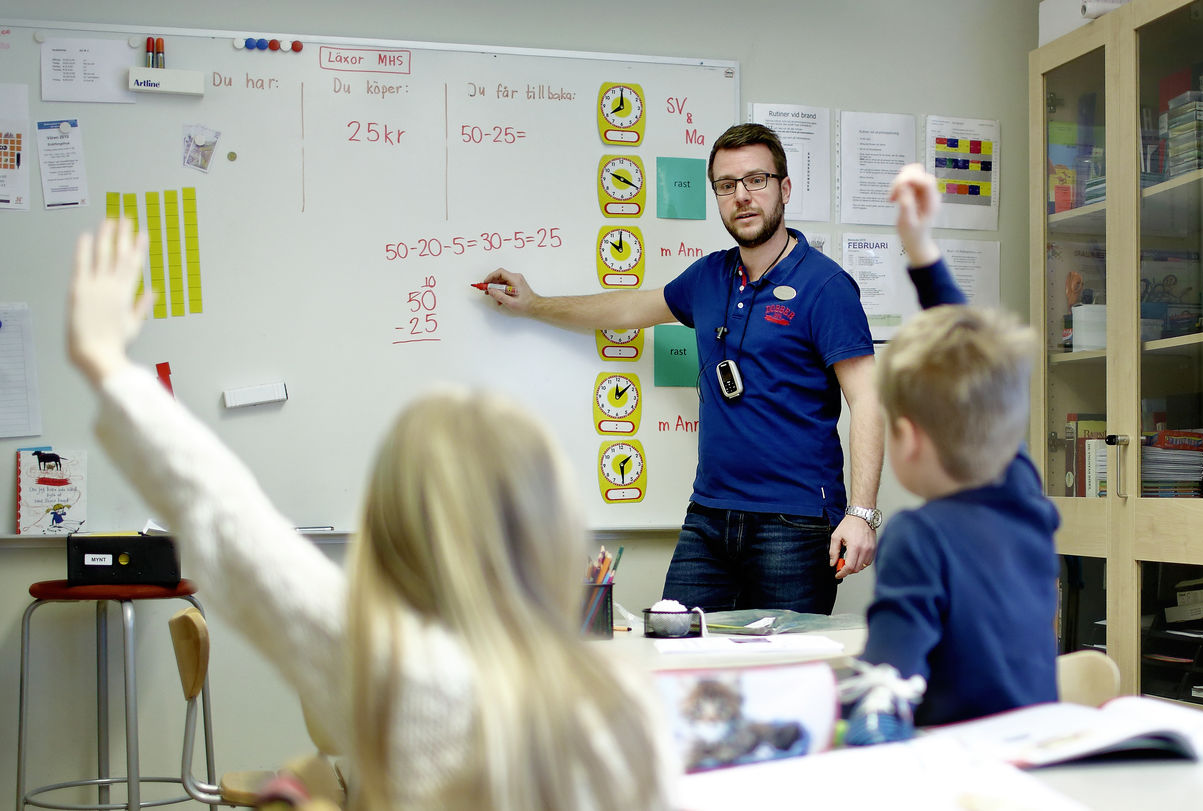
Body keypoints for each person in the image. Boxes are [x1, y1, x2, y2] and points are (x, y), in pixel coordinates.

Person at [66, 219, 674, 811]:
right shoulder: (625, 703)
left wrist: (107, 366)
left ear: (391, 525)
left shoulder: (390, 670)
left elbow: (228, 518)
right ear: (555, 521)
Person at [482, 123, 884, 615]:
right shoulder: (709, 276)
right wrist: (535, 304)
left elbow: (867, 399)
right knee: (676, 654)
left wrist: (862, 515)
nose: (742, 196)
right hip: (709, 518)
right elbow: (626, 310)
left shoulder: (825, 286)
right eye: (727, 185)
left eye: (756, 180)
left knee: (780, 676)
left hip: (793, 524)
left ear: (784, 187)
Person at [849, 163, 1061, 735]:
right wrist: (922, 250)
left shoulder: (919, 538)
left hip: (958, 775)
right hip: (1038, 763)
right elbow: (977, 366)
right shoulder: (1025, 503)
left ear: (908, 438)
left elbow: (885, 688)